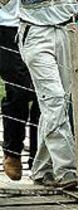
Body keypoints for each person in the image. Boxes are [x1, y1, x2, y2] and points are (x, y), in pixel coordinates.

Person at [17, 0, 78, 188]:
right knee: (54, 99)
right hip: (36, 32)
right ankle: (66, 169)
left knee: (58, 102)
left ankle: (42, 169)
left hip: (68, 29)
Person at [0, 0, 39, 181]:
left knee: (45, 94)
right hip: (7, 25)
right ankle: (12, 151)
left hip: (41, 24)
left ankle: (39, 157)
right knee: (19, 91)